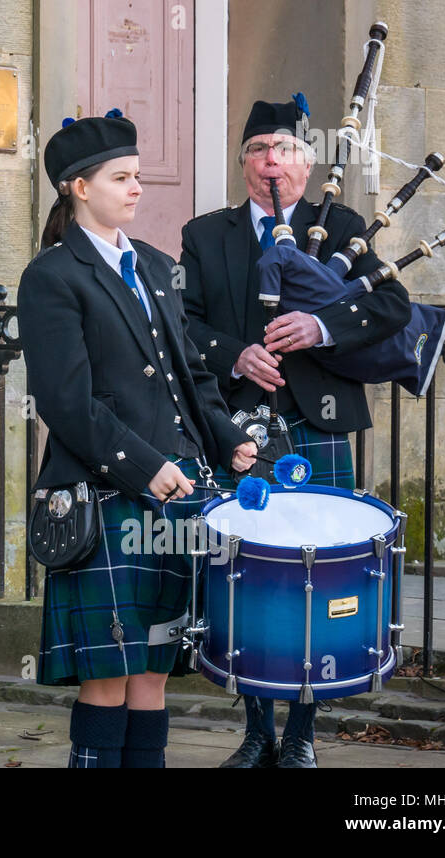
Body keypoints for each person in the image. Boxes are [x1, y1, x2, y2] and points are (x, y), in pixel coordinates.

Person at [18, 111, 257, 769]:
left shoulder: (154, 265)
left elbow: (193, 371)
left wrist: (226, 436)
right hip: (107, 493)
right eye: (121, 178)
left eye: (137, 176)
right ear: (77, 187)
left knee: (152, 668)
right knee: (108, 671)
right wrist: (145, 467)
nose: (136, 189)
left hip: (179, 488)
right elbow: (67, 402)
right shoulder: (53, 276)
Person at [179, 95, 411, 769]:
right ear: (244, 164)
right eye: (257, 150)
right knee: (247, 572)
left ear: (306, 165)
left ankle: (303, 733)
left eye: (283, 150)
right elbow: (184, 322)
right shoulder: (207, 234)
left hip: (318, 420)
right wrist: (233, 354)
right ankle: (256, 730)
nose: (270, 161)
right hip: (241, 425)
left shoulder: (338, 227)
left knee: (317, 567)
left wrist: (321, 326)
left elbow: (392, 305)